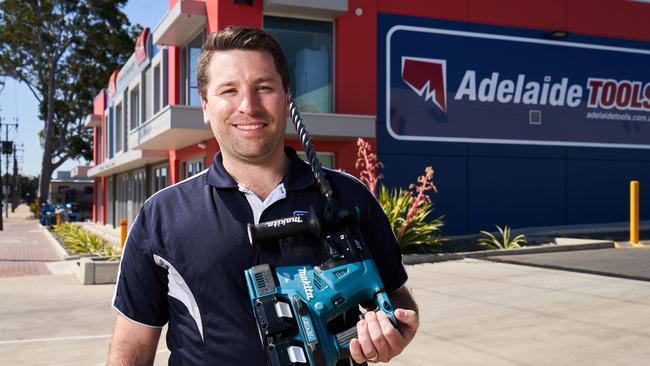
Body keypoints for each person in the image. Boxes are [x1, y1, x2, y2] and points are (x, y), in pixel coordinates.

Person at [108, 26, 419, 365]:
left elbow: (400, 304)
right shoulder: (162, 215)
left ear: (287, 97)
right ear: (206, 107)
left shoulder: (349, 196)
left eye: (264, 88)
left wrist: (392, 334)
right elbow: (132, 348)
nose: (248, 106)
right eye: (229, 90)